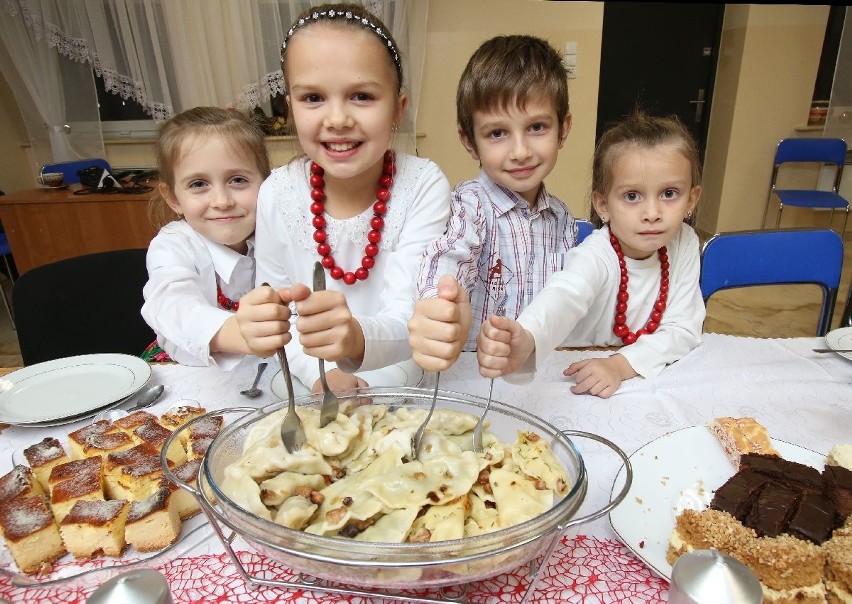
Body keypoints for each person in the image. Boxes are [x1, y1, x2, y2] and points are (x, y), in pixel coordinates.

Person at [236, 3, 451, 393]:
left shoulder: (422, 184)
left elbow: (413, 316)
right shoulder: (277, 193)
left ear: (398, 109)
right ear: (291, 109)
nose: (336, 119)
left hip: (399, 375)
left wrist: (353, 341)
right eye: (313, 98)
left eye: (362, 96)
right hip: (308, 378)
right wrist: (321, 375)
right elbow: (279, 311)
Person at [477, 111, 705, 398]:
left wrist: (620, 366)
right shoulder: (598, 255)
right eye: (632, 196)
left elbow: (683, 329)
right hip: (577, 381)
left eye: (669, 193)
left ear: (691, 200)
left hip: (634, 383)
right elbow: (565, 294)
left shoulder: (684, 242)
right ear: (602, 205)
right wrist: (529, 335)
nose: (652, 214)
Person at [408, 35, 577, 372]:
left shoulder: (562, 218)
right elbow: (450, 256)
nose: (520, 151)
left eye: (537, 127)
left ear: (563, 129)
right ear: (469, 141)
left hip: (534, 373)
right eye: (497, 133)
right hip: (473, 376)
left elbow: (567, 298)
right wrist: (439, 303)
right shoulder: (467, 205)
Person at [141, 106, 271, 369]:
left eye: (238, 180)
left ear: (267, 184)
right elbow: (170, 304)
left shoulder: (280, 236)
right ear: (173, 198)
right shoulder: (172, 246)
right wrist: (240, 334)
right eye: (198, 184)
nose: (222, 201)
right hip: (187, 371)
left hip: (270, 371)